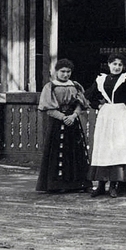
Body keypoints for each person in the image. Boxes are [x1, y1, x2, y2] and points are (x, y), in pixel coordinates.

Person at [88, 54, 126, 197]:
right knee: (103, 147)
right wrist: (98, 105)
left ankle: (114, 185)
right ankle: (101, 185)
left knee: (117, 147)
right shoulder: (102, 79)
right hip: (106, 114)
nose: (117, 67)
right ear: (108, 65)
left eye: (120, 65)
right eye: (114, 64)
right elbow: (90, 96)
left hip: (121, 113)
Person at [35, 57, 91, 193]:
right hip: (57, 123)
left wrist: (73, 116)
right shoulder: (50, 87)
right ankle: (57, 185)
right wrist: (63, 117)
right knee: (57, 152)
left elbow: (81, 104)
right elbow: (48, 108)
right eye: (62, 71)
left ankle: (78, 184)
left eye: (68, 72)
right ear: (56, 71)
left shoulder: (75, 86)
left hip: (73, 123)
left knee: (75, 152)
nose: (65, 74)